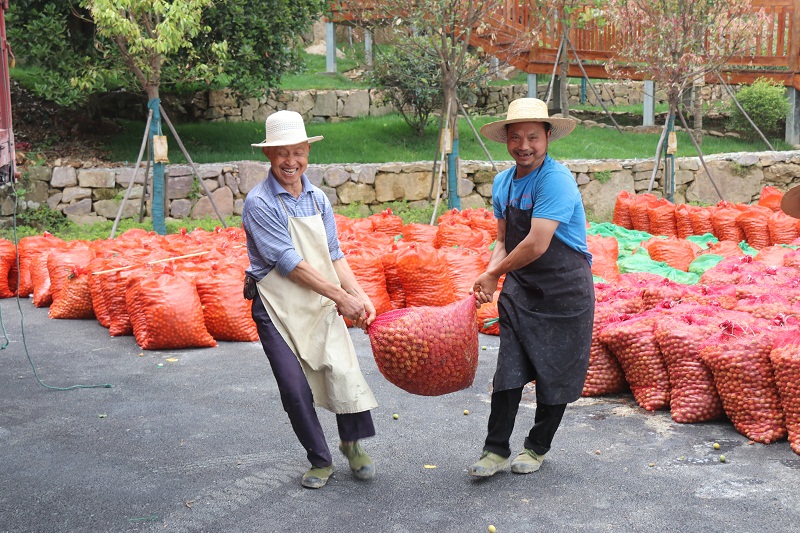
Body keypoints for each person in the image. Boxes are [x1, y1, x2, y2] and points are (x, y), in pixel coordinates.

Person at [242, 110, 379, 489]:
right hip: (276, 305)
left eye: (298, 152)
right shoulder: (259, 202)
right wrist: (340, 297)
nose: (291, 162)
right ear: (268, 156)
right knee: (294, 386)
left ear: (307, 152)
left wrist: (358, 294)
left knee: (343, 369)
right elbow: (289, 263)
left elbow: (333, 253)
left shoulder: (318, 198)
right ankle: (320, 459)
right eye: (282, 153)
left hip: (318, 298)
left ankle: (352, 444)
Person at [468, 98, 594, 477]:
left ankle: (536, 448)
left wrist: (494, 275)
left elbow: (537, 243)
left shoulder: (556, 180)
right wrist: (491, 272)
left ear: (548, 137)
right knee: (507, 370)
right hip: (522, 289)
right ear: (506, 140)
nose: (525, 145)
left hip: (565, 291)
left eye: (533, 137)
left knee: (555, 374)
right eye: (516, 137)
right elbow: (504, 240)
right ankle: (494, 450)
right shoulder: (504, 182)